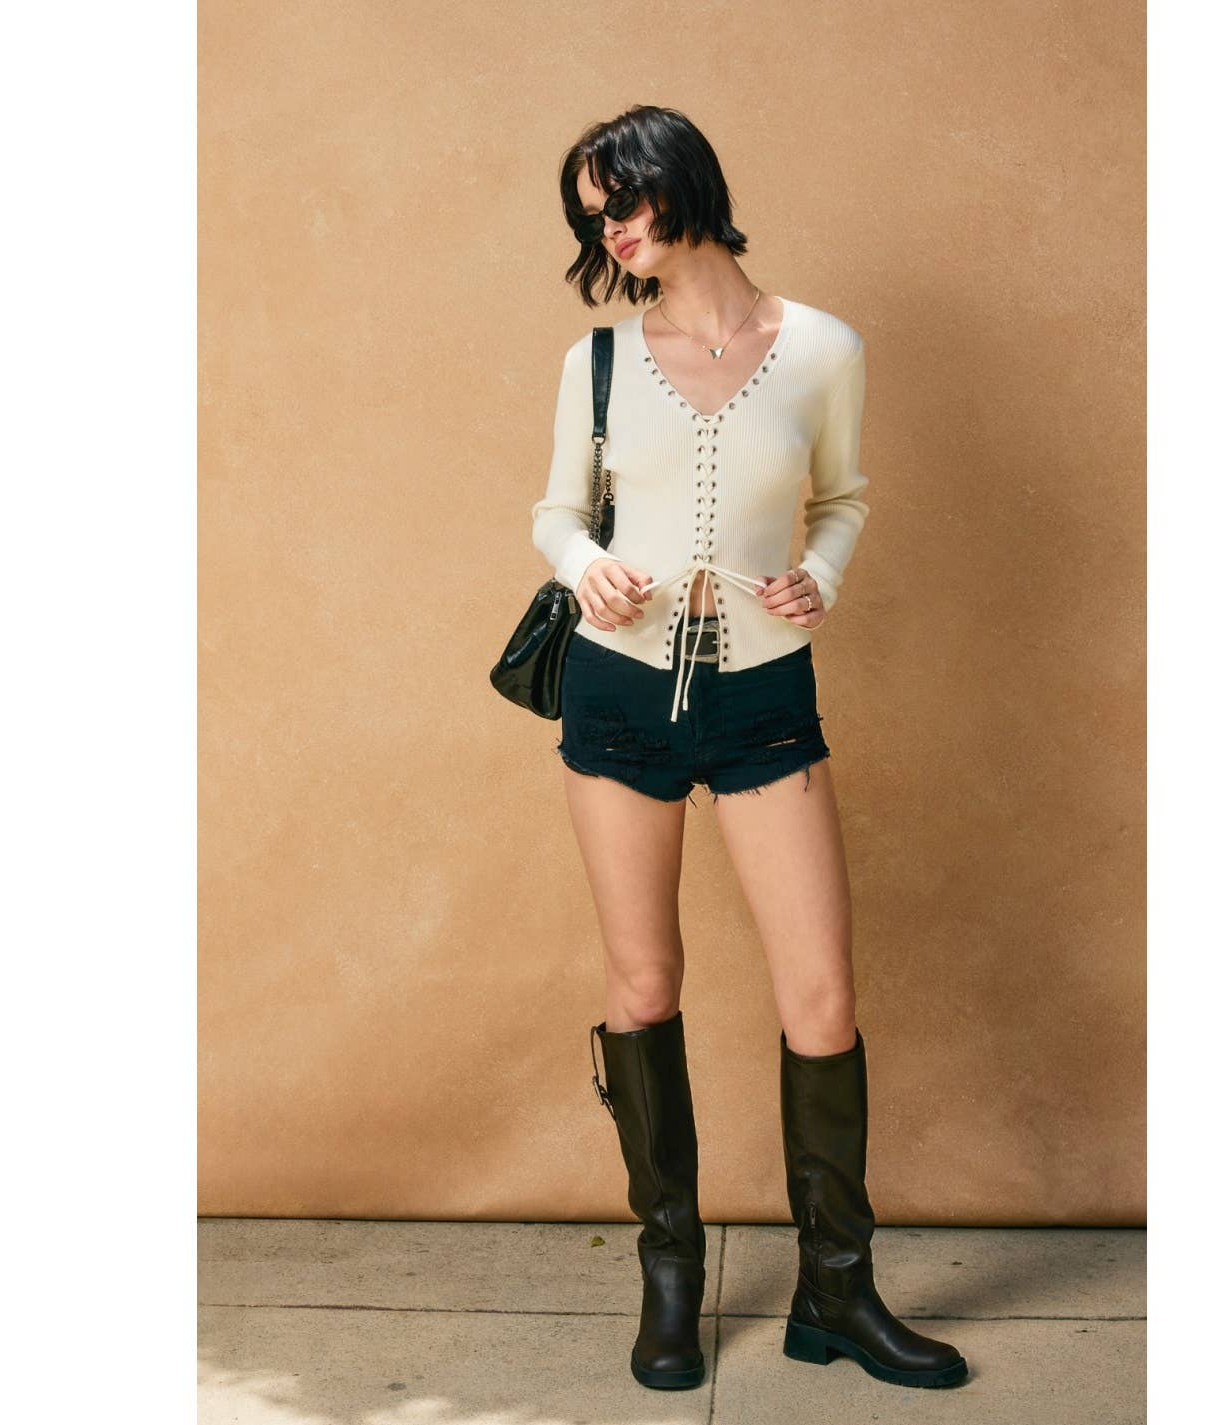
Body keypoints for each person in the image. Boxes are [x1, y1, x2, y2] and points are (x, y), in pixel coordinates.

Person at [530, 105, 969, 1393]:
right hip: (618, 693)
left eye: (622, 201)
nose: (611, 231)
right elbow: (557, 513)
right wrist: (588, 564)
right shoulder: (598, 361)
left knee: (822, 995)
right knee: (645, 984)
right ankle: (671, 1275)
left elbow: (844, 499)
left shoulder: (823, 348)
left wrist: (820, 577)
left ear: (682, 185)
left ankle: (838, 1288)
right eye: (593, 218)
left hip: (765, 694)